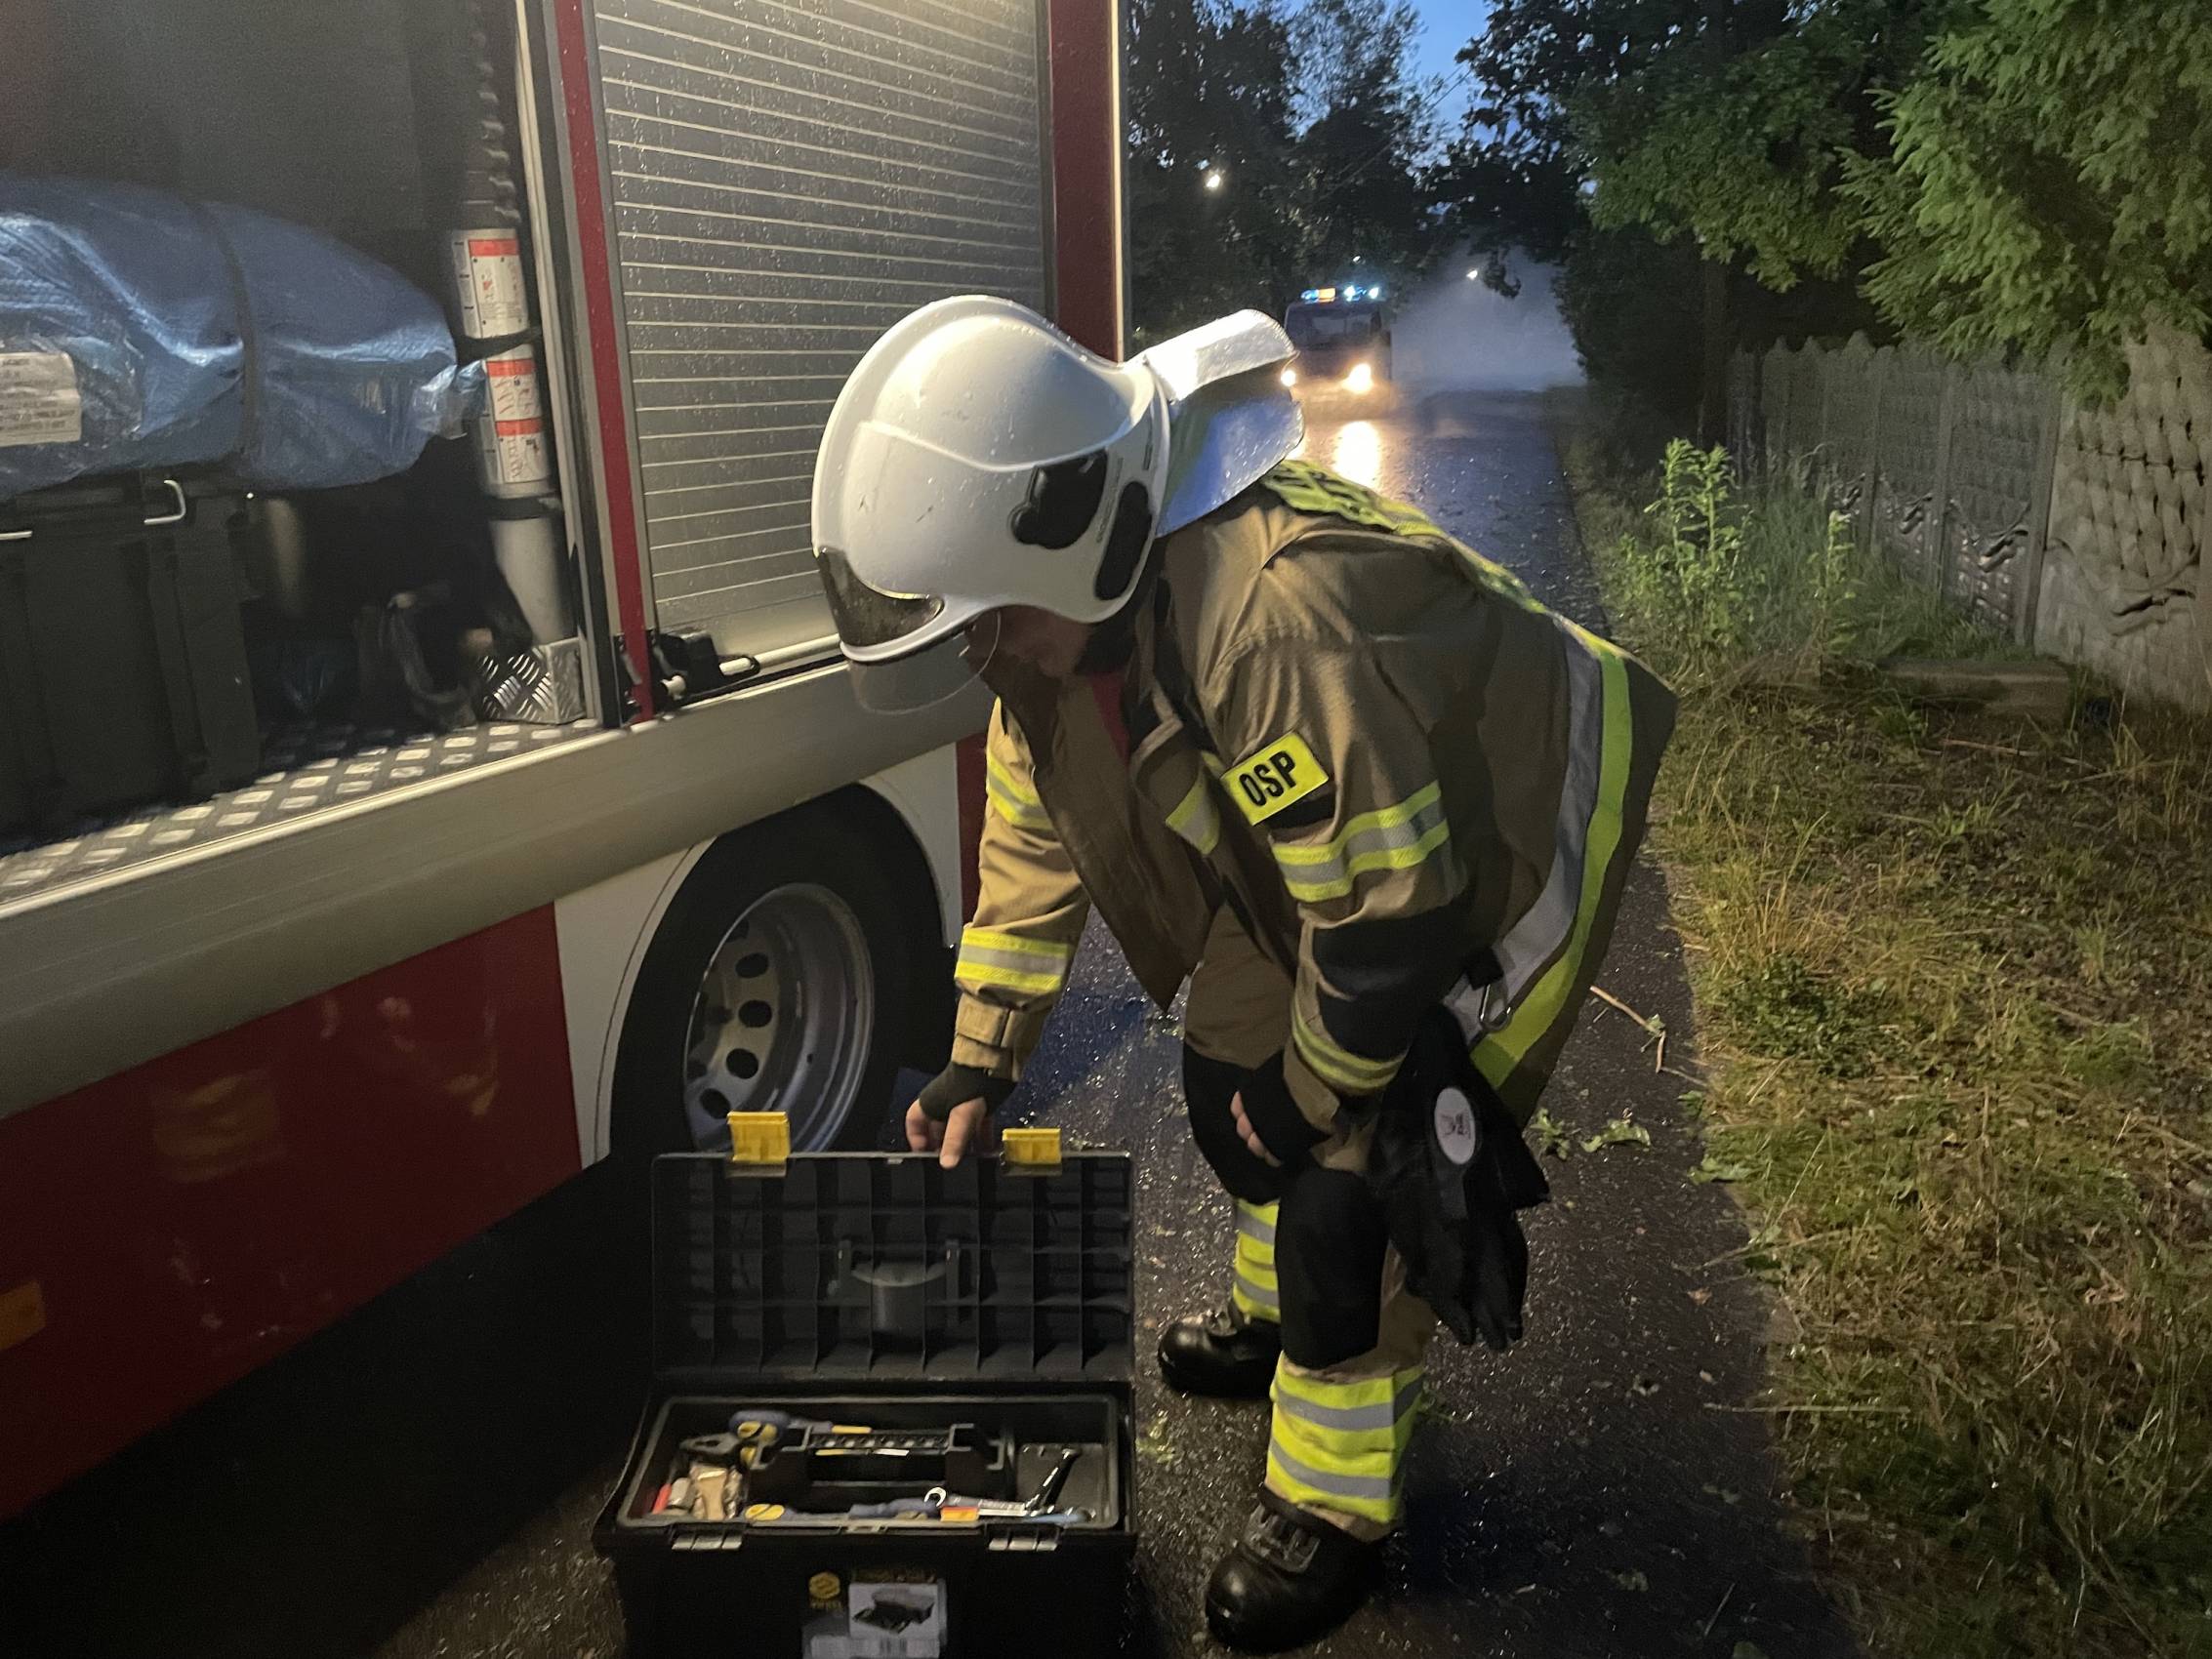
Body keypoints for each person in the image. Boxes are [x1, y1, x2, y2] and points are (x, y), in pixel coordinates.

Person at [811, 297, 1674, 1651]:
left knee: (1352, 1195)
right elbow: (1037, 834)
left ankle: (1330, 1506)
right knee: (1229, 1081)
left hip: (1499, 842)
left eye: (992, 621)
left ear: (1069, 537)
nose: (985, 652)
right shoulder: (1056, 619)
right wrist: (982, 1053)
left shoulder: (1269, 620)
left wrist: (1316, 1098)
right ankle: (1274, 1323)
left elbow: (1387, 923)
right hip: (1349, 844)